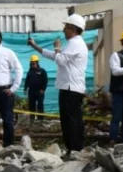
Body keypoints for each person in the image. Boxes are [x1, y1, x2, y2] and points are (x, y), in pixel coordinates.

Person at [28, 15, 88, 153]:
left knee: (70, 121)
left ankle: (74, 149)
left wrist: (57, 48)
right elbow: (56, 57)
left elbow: (59, 59)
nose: (63, 30)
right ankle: (75, 148)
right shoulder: (75, 43)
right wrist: (35, 46)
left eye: (65, 27)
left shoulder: (75, 43)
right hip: (70, 87)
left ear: (72, 28)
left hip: (70, 88)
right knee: (72, 120)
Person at [24, 55, 48, 122]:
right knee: (32, 105)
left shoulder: (42, 71)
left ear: (37, 63)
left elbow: (45, 81)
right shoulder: (29, 71)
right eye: (32, 63)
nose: (33, 64)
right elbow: (27, 80)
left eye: (34, 63)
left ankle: (40, 119)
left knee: (40, 105)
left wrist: (43, 89)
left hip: (39, 91)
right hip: (31, 91)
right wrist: (25, 88)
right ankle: (32, 119)